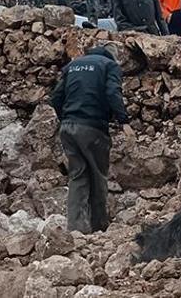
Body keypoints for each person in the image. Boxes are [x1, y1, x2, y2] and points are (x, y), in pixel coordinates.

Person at [51, 45, 129, 234]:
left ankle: (76, 229)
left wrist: (66, 118)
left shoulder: (72, 66)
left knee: (77, 176)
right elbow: (112, 93)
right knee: (98, 175)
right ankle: (99, 227)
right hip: (92, 127)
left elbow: (56, 97)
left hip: (68, 127)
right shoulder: (109, 66)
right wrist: (124, 120)